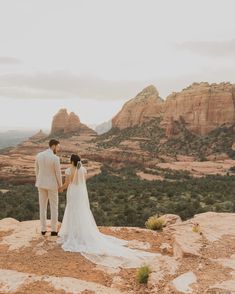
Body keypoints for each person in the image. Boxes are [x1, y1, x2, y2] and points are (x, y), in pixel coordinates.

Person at [57, 154, 155, 268]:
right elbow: (82, 182)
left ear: (71, 161)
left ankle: (73, 233)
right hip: (80, 193)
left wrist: (60, 189)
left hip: (73, 192)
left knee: (72, 211)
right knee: (81, 211)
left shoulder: (68, 170)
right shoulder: (83, 169)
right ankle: (81, 233)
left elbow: (67, 183)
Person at [35, 139, 62, 236]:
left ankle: (43, 229)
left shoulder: (39, 155)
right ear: (53, 146)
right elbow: (58, 174)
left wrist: (38, 181)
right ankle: (54, 230)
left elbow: (36, 171)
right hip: (52, 185)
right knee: (54, 207)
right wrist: (61, 186)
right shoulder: (55, 158)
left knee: (42, 207)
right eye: (58, 147)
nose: (58, 149)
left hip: (41, 184)